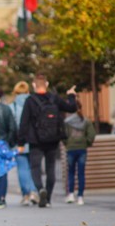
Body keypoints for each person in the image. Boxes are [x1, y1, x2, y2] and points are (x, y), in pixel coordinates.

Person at [18, 74, 77, 208]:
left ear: (34, 85)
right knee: (50, 169)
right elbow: (72, 108)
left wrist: (21, 142)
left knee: (35, 168)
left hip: (35, 141)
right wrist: (71, 95)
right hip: (53, 139)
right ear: (47, 84)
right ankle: (48, 198)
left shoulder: (30, 100)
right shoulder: (54, 98)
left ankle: (40, 189)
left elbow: (24, 123)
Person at [8, 81, 38, 206]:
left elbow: (11, 126)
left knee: (22, 169)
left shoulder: (12, 106)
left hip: (18, 141)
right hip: (34, 140)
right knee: (34, 168)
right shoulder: (35, 103)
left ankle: (26, 194)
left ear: (15, 92)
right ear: (27, 91)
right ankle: (34, 191)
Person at [64, 101, 96, 205]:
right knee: (81, 173)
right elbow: (91, 134)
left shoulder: (67, 122)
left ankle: (71, 194)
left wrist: (67, 143)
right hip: (82, 148)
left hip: (70, 148)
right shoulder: (86, 120)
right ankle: (81, 196)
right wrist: (86, 143)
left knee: (71, 172)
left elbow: (64, 135)